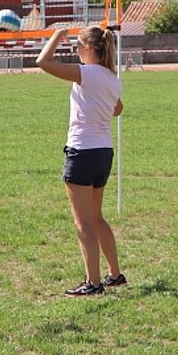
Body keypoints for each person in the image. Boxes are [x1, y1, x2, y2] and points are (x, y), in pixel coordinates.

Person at [35, 25, 125, 295]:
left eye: (76, 45)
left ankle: (94, 283)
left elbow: (43, 62)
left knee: (83, 222)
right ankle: (115, 274)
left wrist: (57, 35)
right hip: (103, 152)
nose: (75, 50)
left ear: (88, 49)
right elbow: (118, 109)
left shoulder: (86, 73)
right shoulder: (112, 77)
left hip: (82, 152)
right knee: (97, 218)